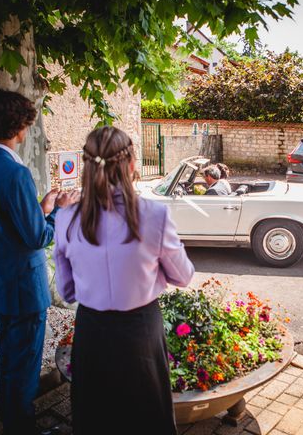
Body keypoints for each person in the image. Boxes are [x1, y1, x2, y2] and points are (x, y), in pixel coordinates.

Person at [53, 126, 194, 434]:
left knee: (96, 415)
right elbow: (183, 275)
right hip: (140, 329)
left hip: (92, 329)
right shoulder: (155, 215)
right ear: (131, 164)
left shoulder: (65, 218)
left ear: (87, 165)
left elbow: (66, 291)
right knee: (147, 415)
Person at [0, 89, 78, 435]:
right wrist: (60, 211)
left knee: (8, 360)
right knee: (25, 365)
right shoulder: (15, 174)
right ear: (18, 127)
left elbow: (4, 222)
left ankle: (12, 423)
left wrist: (40, 209)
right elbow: (36, 238)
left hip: (0, 280)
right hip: (23, 288)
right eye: (26, 125)